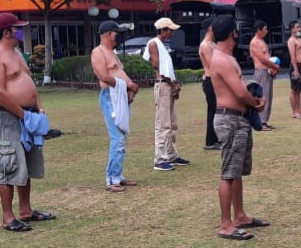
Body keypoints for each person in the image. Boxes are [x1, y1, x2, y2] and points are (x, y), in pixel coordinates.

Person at [0, 12, 55, 232]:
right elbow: (0, 94)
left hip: (29, 115)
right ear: (7, 32)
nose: (21, 31)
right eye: (17, 28)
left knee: (26, 162)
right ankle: (7, 217)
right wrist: (23, 115)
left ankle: (26, 210)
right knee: (9, 163)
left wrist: (38, 108)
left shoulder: (16, 53)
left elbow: (29, 84)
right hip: (10, 119)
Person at [210, 14, 269, 240]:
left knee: (236, 172)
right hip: (230, 120)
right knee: (228, 173)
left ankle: (240, 216)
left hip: (238, 119)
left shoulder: (226, 57)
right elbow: (240, 92)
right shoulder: (222, 60)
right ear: (234, 33)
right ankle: (226, 224)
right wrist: (257, 104)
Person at [91, 21, 140, 193]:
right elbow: (103, 76)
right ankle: (112, 178)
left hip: (120, 96)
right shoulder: (98, 52)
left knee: (121, 137)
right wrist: (126, 85)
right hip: (110, 97)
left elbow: (117, 73)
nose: (118, 36)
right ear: (108, 34)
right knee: (117, 138)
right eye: (116, 33)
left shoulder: (112, 53)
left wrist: (130, 87)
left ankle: (117, 175)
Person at [144, 17, 189, 171]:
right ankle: (159, 158)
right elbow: (157, 67)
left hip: (167, 85)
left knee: (171, 122)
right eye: (170, 30)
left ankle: (170, 154)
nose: (172, 34)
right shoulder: (154, 44)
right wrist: (171, 83)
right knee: (163, 123)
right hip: (163, 85)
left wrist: (174, 84)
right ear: (163, 30)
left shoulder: (162, 45)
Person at [249, 19, 280, 131]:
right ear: (259, 30)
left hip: (267, 71)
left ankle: (265, 121)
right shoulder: (255, 42)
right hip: (261, 72)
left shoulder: (262, 42)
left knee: (269, 96)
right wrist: (274, 66)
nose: (267, 31)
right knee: (262, 96)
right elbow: (262, 59)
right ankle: (260, 122)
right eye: (265, 29)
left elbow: (267, 57)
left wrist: (273, 67)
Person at [199, 18, 222, 150]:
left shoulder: (213, 44)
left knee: (218, 111)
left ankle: (216, 138)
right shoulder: (205, 45)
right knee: (213, 111)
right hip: (210, 80)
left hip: (215, 80)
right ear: (210, 28)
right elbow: (212, 64)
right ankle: (211, 140)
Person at [287, 20, 301, 119]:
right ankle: (294, 111)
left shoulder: (299, 39)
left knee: (299, 89)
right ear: (292, 29)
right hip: (296, 67)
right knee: (294, 89)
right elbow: (293, 56)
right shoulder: (291, 41)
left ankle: (299, 109)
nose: (299, 29)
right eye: (297, 27)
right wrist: (295, 70)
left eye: (299, 27)